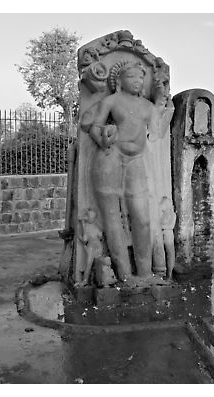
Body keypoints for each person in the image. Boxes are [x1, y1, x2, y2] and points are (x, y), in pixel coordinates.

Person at [81, 61, 171, 281]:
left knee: (142, 218)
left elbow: (157, 133)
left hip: (135, 160)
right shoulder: (111, 101)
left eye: (141, 77)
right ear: (119, 81)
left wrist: (162, 103)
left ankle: (145, 273)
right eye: (132, 77)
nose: (138, 81)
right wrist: (104, 134)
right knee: (112, 217)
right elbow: (92, 126)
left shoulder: (147, 107)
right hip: (111, 156)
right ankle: (124, 275)